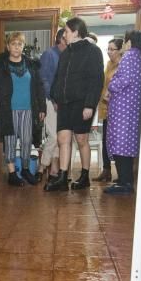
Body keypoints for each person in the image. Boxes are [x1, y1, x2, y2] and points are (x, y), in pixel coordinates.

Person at [46, 17, 104, 192]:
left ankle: (84, 176)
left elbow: (96, 80)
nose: (64, 34)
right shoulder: (66, 53)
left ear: (76, 32)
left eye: (66, 31)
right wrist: (55, 97)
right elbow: (58, 78)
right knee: (63, 139)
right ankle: (63, 178)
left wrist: (89, 105)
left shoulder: (93, 51)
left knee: (81, 139)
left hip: (82, 103)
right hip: (64, 104)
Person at [0, 32, 46, 186]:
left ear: (23, 46)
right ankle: (12, 174)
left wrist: (42, 108)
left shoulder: (31, 65)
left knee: (27, 141)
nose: (16, 47)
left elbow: (39, 87)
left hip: (29, 110)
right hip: (8, 111)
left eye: (20, 44)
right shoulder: (1, 66)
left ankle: (25, 170)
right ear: (8, 46)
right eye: (13, 44)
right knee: (10, 142)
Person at [105, 31, 141, 195]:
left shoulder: (129, 57)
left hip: (123, 109)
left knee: (120, 145)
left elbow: (124, 80)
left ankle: (125, 183)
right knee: (127, 145)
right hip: (131, 108)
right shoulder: (140, 58)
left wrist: (111, 85)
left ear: (129, 43)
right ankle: (125, 179)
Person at [37, 28, 67, 183]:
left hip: (63, 103)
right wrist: (54, 100)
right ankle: (42, 166)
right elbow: (44, 80)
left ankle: (53, 171)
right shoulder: (49, 54)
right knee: (54, 136)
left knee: (60, 138)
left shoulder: (67, 55)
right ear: (62, 38)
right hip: (50, 101)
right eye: (68, 35)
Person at [95, 38, 125, 183]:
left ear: (120, 50)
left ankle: (121, 173)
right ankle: (106, 170)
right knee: (105, 139)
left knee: (117, 142)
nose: (109, 52)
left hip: (118, 110)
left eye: (112, 49)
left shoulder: (123, 66)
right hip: (105, 107)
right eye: (108, 49)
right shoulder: (108, 64)